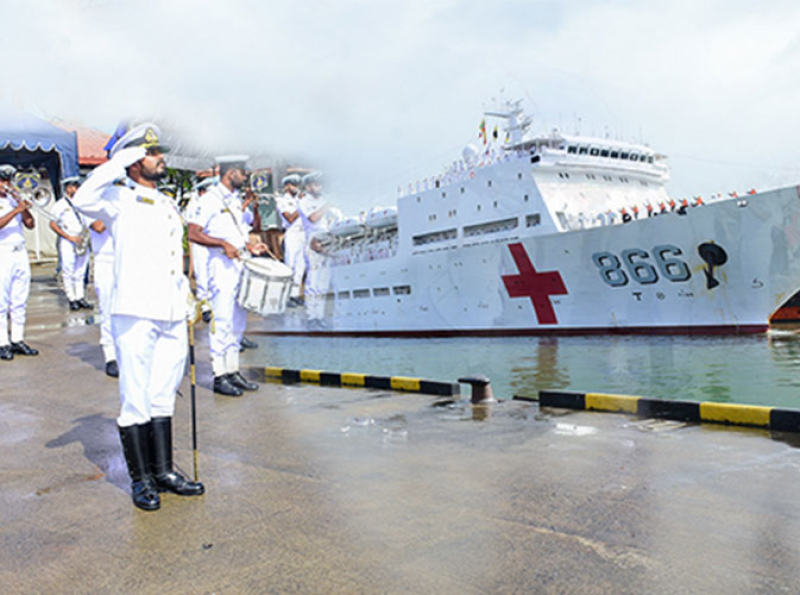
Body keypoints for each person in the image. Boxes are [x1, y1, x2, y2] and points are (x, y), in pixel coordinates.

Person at [72, 123, 203, 511]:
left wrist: (186, 297)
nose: (160, 158)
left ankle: (163, 471)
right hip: (134, 310)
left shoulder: (165, 203)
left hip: (169, 310)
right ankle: (141, 479)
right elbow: (83, 199)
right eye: (151, 152)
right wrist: (121, 159)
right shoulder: (115, 198)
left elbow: (170, 258)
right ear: (131, 161)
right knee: (136, 398)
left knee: (164, 392)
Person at [187, 155, 267, 397]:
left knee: (238, 321)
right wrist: (221, 244)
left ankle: (232, 370)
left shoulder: (233, 200)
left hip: (240, 264)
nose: (246, 177)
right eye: (243, 173)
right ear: (230, 172)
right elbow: (193, 232)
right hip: (221, 267)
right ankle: (219, 375)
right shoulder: (210, 199)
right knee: (222, 321)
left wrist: (250, 248)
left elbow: (237, 233)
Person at [0, 164, 39, 359]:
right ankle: (2, 342)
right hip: (2, 253)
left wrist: (22, 207)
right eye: (2, 180)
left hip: (19, 251)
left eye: (8, 181)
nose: (6, 185)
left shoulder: (14, 200)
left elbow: (30, 225)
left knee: (19, 299)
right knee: (1, 301)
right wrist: (16, 211)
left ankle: (17, 339)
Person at [49, 177, 93, 311]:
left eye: (77, 186)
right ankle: (71, 298)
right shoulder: (60, 205)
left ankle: (80, 297)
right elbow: (52, 223)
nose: (76, 189)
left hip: (82, 239)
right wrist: (69, 237)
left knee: (80, 271)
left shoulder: (83, 203)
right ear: (67, 188)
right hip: (68, 239)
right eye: (74, 186)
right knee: (68, 270)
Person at [297, 171, 332, 329]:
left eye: (320, 184)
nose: (319, 187)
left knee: (324, 283)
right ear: (308, 186)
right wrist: (327, 206)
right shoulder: (304, 201)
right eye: (316, 184)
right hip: (312, 240)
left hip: (327, 240)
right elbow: (313, 218)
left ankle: (320, 316)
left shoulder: (324, 200)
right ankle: (311, 317)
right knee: (313, 281)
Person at [88, 213, 118, 377]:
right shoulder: (92, 204)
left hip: (124, 259)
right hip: (105, 261)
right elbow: (98, 227)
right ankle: (110, 356)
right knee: (108, 310)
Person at [186, 177, 216, 323]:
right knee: (202, 274)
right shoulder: (195, 204)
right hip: (200, 242)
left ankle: (215, 305)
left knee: (213, 275)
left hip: (213, 242)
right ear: (203, 191)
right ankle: (205, 307)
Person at [276, 174, 306, 307]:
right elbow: (289, 218)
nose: (297, 188)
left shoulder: (300, 200)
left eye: (298, 185)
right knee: (290, 266)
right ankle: (286, 296)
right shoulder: (282, 201)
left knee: (300, 267)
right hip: (292, 234)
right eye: (294, 185)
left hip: (303, 233)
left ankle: (295, 294)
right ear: (287, 186)